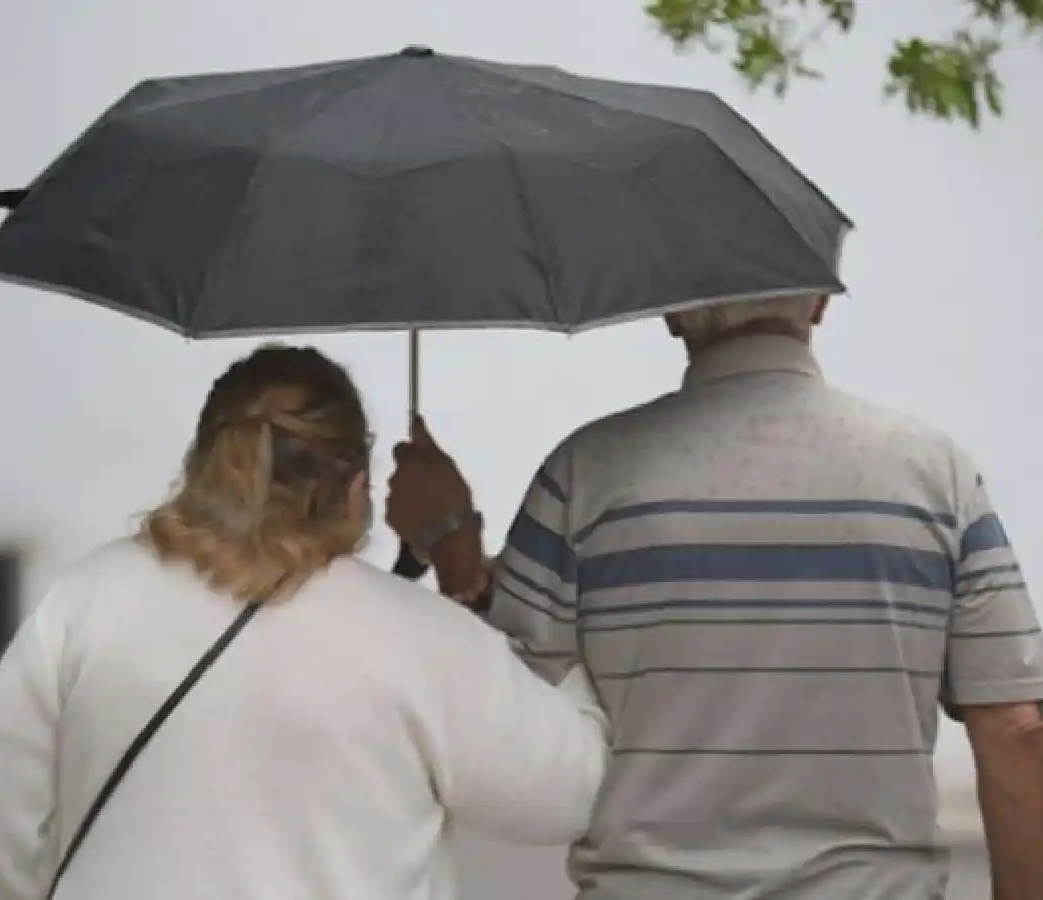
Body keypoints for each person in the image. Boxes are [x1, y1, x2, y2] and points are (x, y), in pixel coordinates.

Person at [385, 295, 1043, 900]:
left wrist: (451, 541)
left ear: (671, 314)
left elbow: (502, 712)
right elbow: (1015, 729)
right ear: (818, 302)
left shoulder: (585, 474)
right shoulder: (938, 475)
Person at [0, 344, 609, 900]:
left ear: (205, 460)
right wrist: (459, 545)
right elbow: (566, 790)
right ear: (357, 481)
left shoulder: (87, 596)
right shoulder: (417, 636)